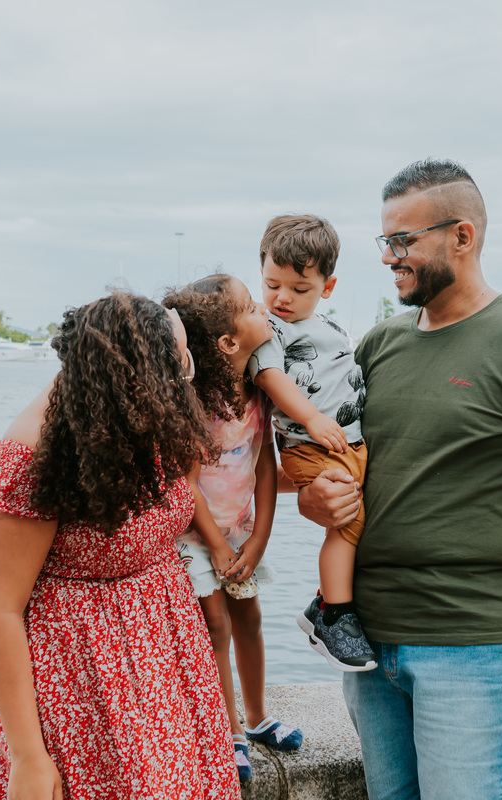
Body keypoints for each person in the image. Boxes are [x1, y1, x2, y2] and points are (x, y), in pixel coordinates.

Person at [297, 159, 502, 800]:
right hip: (369, 650)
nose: (390, 257)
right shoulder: (378, 345)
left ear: (463, 236)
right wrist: (311, 497)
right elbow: (327, 463)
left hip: (477, 649)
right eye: (385, 241)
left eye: (404, 241)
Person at [0, 293, 240, 800]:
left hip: (165, 656)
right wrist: (28, 757)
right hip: (82, 677)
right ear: (138, 376)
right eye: (179, 367)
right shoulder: (34, 453)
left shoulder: (139, 421)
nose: (187, 380)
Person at [163, 274, 305, 782]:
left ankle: (257, 714)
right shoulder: (195, 406)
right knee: (216, 628)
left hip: (241, 532)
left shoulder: (258, 392)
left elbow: (266, 466)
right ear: (227, 341)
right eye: (251, 305)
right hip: (196, 537)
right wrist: (218, 545)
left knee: (249, 620)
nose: (263, 307)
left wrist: (259, 536)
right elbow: (188, 486)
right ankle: (229, 732)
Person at [243, 214, 374, 673]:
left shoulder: (330, 329)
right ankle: (333, 616)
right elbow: (270, 376)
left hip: (347, 441)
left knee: (362, 517)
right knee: (345, 519)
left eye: (299, 289)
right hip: (307, 443)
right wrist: (312, 418)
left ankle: (326, 603)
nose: (282, 298)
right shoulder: (266, 329)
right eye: (272, 284)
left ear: (327, 286)